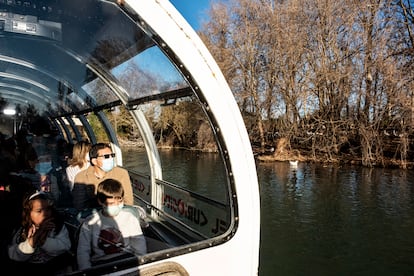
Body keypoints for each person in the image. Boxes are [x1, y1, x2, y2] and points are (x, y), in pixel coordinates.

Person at [76, 178, 146, 270]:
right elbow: (83, 250)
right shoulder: (90, 222)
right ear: (101, 202)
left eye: (120, 202)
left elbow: (139, 243)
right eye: (112, 203)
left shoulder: (130, 218)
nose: (117, 206)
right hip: (101, 263)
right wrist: (86, 271)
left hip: (126, 259)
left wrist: (140, 265)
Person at [7, 191, 72, 274]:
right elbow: (14, 255)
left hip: (54, 268)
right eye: (39, 211)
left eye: (48, 209)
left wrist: (43, 240)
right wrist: (33, 240)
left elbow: (65, 246)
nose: (45, 214)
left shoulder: (57, 226)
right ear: (29, 213)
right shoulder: (22, 231)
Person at [72, 143, 134, 210]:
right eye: (106, 156)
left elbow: (128, 202)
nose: (111, 159)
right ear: (94, 161)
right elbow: (79, 205)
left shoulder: (121, 173)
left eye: (112, 155)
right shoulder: (81, 177)